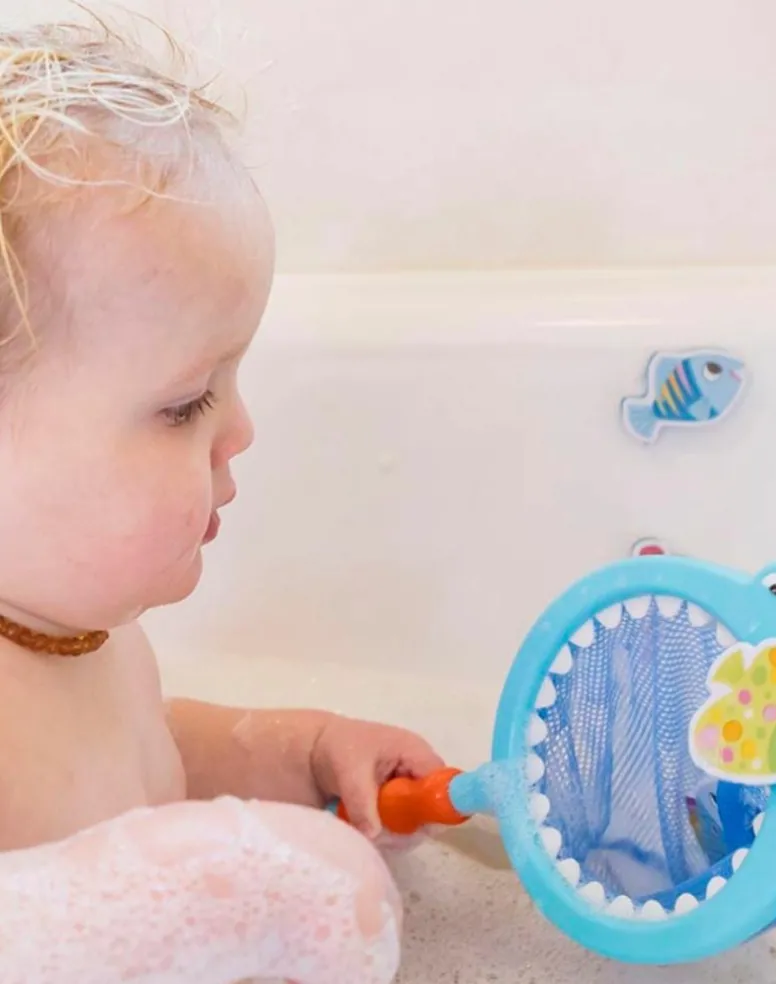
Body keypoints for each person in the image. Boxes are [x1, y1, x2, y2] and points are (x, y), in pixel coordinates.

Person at [0, 17, 445, 983]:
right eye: (185, 404)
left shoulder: (81, 632)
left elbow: (146, 754)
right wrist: (231, 888)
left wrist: (305, 751)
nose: (238, 430)